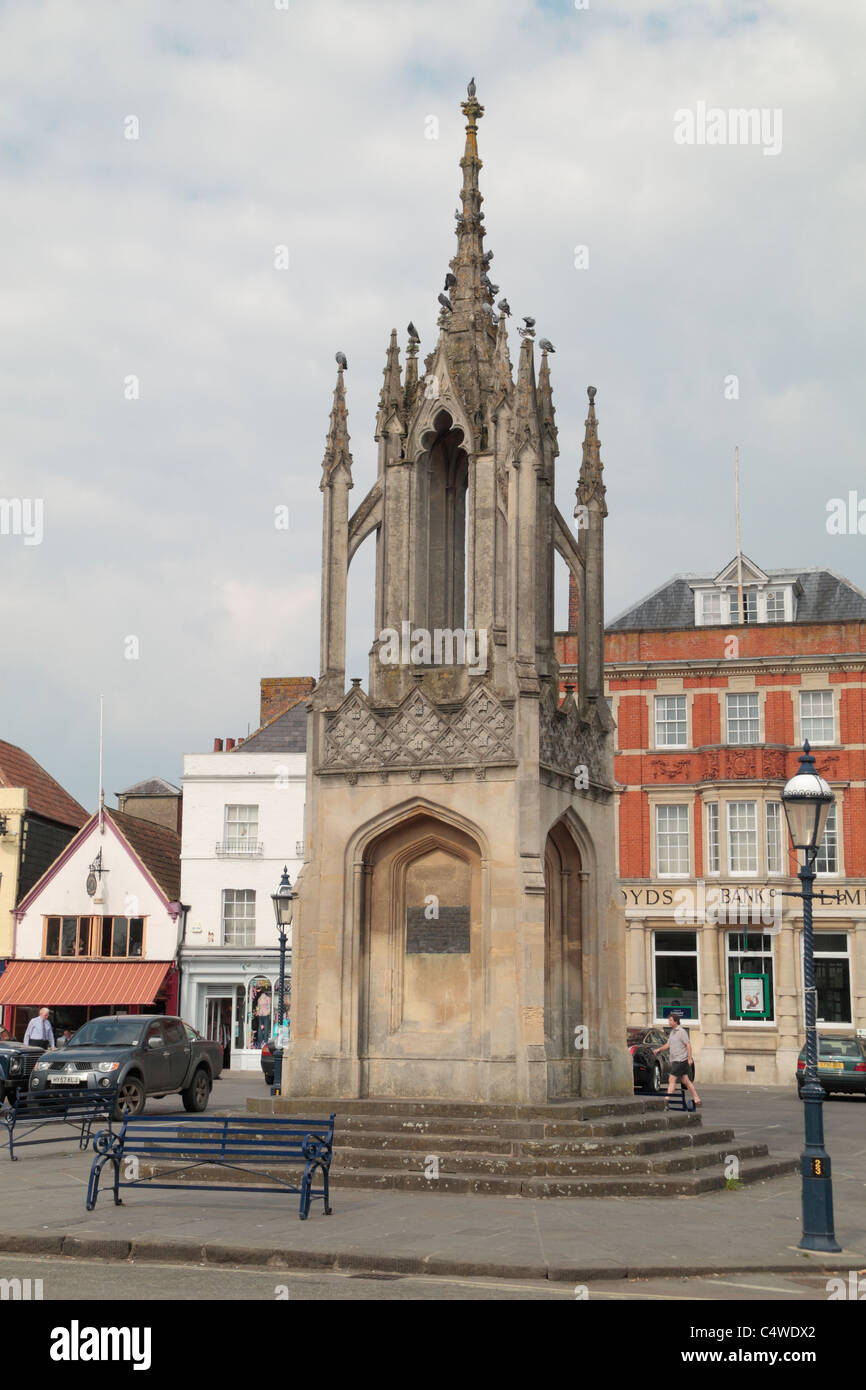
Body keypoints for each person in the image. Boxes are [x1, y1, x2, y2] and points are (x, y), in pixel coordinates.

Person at [653, 1011, 701, 1107]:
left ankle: (666, 1100)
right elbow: (668, 1045)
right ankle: (697, 1098)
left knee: (672, 1079)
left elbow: (688, 1045)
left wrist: (689, 1058)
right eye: (669, 1020)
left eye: (670, 1020)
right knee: (685, 1080)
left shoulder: (681, 1032)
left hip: (681, 1060)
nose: (669, 1022)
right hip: (675, 1060)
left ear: (676, 1021)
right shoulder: (672, 1033)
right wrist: (659, 1049)